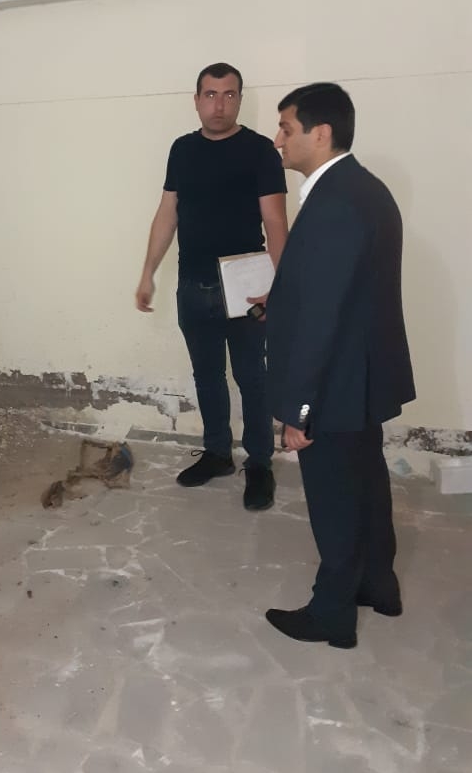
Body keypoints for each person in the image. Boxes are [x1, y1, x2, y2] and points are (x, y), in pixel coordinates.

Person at [263, 82, 415, 648]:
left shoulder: (334, 202)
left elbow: (324, 316)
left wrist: (298, 410)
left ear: (320, 133)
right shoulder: (362, 189)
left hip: (333, 385)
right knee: (367, 483)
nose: (278, 139)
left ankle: (332, 615)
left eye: (286, 128)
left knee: (334, 501)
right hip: (360, 376)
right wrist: (280, 301)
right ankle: (379, 585)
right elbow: (337, 291)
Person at [135, 63, 288, 510]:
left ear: (239, 99)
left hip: (246, 287)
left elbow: (276, 222)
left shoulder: (260, 151)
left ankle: (259, 463)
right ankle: (218, 453)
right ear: (197, 99)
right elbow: (167, 213)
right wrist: (148, 272)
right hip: (193, 284)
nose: (219, 104)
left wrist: (281, 286)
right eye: (210, 94)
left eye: (229, 95)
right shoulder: (182, 150)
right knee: (207, 376)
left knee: (252, 378)